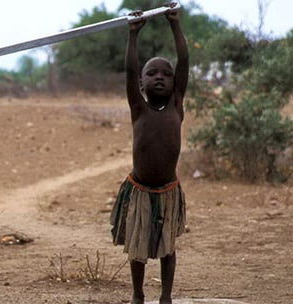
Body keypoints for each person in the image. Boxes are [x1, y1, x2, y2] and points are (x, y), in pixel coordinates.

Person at [109, 3, 188, 304]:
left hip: (168, 191)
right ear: (140, 84)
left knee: (167, 247)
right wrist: (133, 36)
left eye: (165, 74)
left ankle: (166, 296)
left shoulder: (177, 106)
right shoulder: (138, 108)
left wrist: (175, 24)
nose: (159, 77)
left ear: (174, 83)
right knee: (138, 246)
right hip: (140, 190)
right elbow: (130, 69)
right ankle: (138, 295)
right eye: (151, 73)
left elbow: (184, 61)